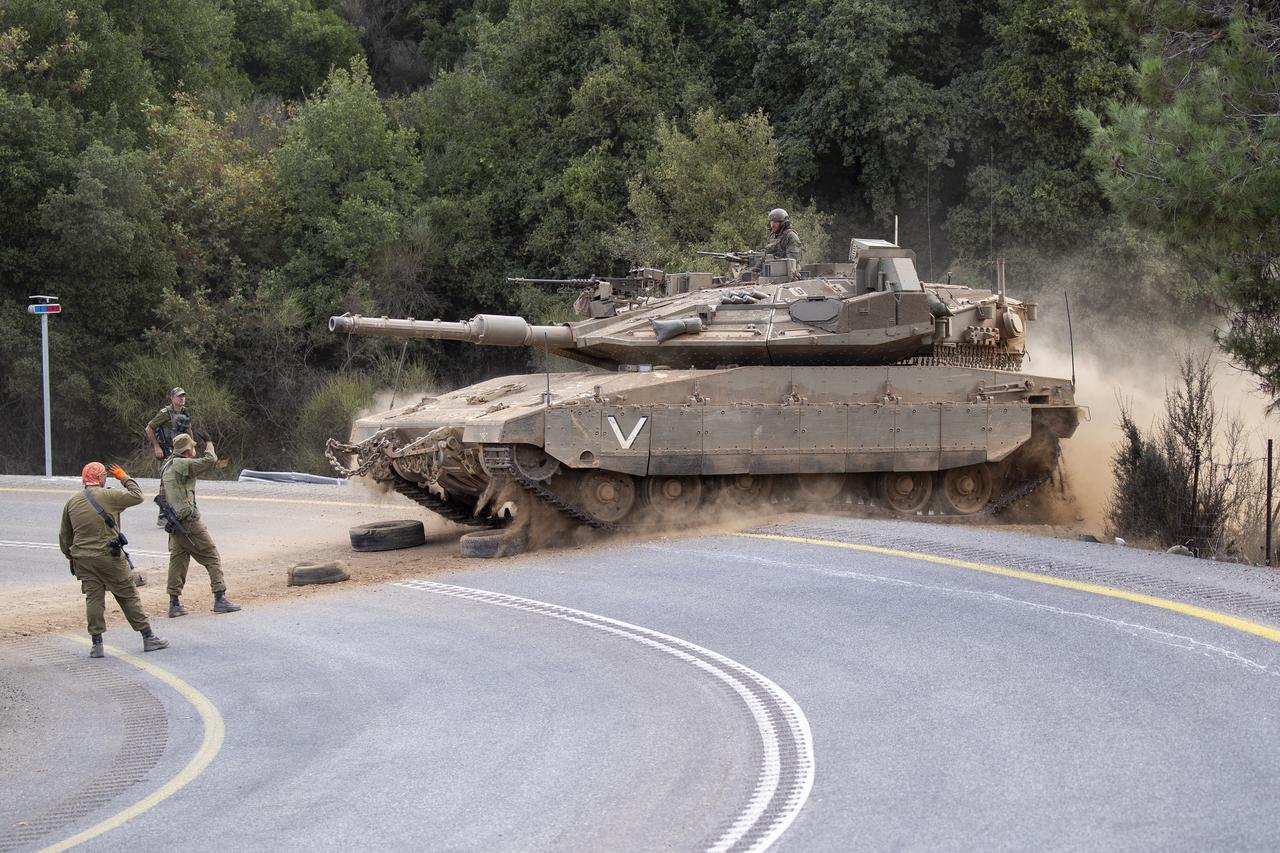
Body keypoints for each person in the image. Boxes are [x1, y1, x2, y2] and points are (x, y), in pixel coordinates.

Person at [59, 462, 169, 658]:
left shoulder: (72, 502)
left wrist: (70, 555)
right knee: (127, 594)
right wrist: (123, 477)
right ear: (100, 478)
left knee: (93, 598)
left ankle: (96, 644)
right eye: (104, 477)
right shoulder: (108, 496)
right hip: (109, 556)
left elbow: (64, 536)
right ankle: (148, 636)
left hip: (83, 559)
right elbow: (137, 496)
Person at [160, 433, 241, 618]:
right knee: (211, 555)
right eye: (193, 447)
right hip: (188, 521)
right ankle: (220, 598)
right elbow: (211, 460)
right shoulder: (184, 464)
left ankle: (174, 603)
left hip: (175, 522)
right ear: (188, 451)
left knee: (178, 561)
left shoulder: (167, 465)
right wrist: (210, 443)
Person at [146, 387, 193, 526]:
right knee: (166, 483)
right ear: (172, 398)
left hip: (181, 452)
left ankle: (182, 512)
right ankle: (163, 515)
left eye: (183, 396)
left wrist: (192, 447)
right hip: (168, 451)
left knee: (183, 481)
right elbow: (149, 428)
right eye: (179, 396)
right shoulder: (165, 413)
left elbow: (189, 430)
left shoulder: (185, 412)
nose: (181, 398)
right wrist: (156, 446)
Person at [750, 207, 803, 273]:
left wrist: (775, 260)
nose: (772, 225)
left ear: (783, 223)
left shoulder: (791, 236)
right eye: (771, 222)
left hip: (789, 274)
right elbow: (765, 257)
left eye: (775, 222)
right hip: (773, 273)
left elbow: (792, 260)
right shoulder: (774, 238)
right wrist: (753, 271)